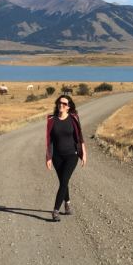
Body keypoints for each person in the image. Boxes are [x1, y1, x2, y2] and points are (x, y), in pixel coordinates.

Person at [45, 94, 87, 222]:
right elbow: (49, 140)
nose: (61, 105)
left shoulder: (73, 118)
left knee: (64, 182)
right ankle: (67, 203)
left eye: (64, 104)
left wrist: (84, 153)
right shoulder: (52, 120)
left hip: (71, 155)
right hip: (57, 157)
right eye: (59, 103)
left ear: (68, 107)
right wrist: (48, 157)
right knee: (64, 182)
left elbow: (79, 137)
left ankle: (55, 210)